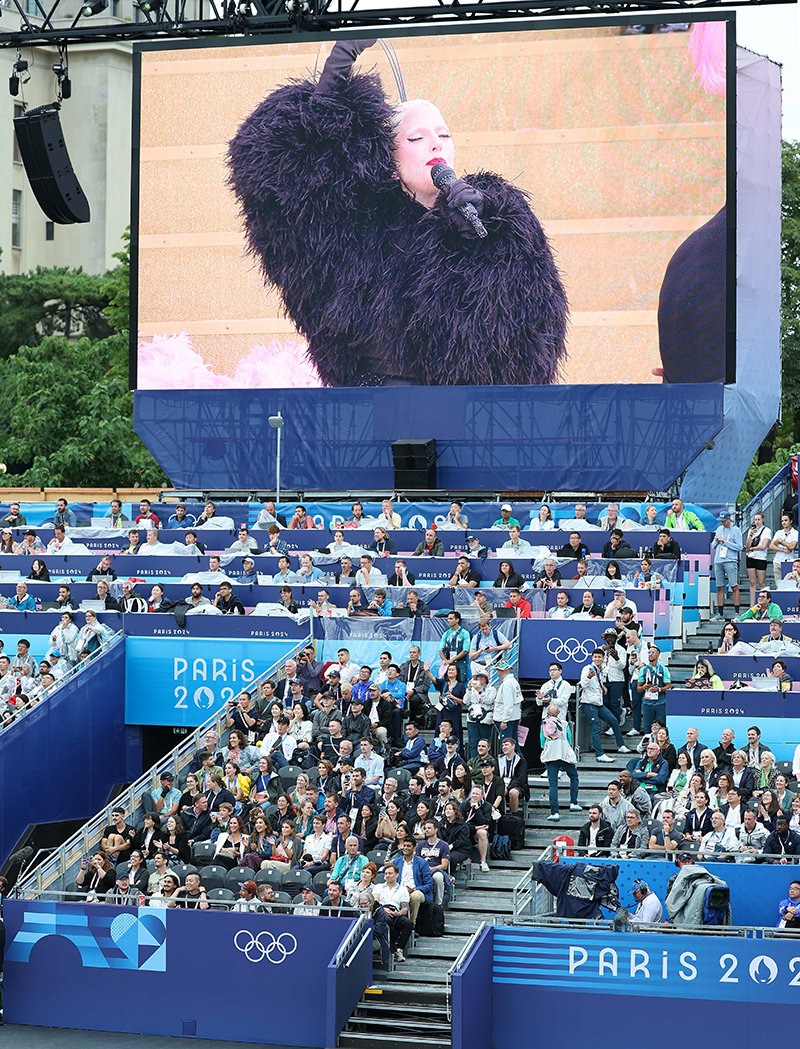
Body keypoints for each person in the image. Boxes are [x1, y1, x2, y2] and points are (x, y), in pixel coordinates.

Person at [579, 649, 628, 763]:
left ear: (603, 658)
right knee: (595, 727)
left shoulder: (601, 669)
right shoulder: (587, 669)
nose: (597, 659)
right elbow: (583, 684)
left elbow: (599, 682)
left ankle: (621, 746)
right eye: (595, 657)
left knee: (614, 721)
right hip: (589, 703)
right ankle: (599, 754)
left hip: (599, 703)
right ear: (592, 658)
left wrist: (603, 687)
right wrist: (588, 677)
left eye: (599, 657)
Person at [540, 703, 581, 823]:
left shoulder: (544, 724)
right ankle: (573, 802)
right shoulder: (564, 723)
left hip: (551, 755)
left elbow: (542, 740)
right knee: (574, 777)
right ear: (559, 713)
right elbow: (569, 739)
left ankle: (555, 812)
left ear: (547, 713)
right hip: (564, 753)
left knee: (553, 784)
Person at [375, 862, 414, 962]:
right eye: (386, 873)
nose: (387, 876)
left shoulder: (402, 889)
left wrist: (398, 913)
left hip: (395, 912)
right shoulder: (379, 887)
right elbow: (375, 902)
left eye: (390, 873)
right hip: (381, 911)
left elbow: (405, 908)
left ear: (397, 875)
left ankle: (399, 950)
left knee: (408, 923)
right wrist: (383, 909)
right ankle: (388, 948)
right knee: (386, 920)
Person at [711, 510, 742, 619]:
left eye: (724, 521)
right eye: (721, 521)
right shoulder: (719, 529)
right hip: (718, 560)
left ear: (729, 520)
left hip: (730, 560)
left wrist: (726, 542)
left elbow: (739, 547)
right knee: (720, 587)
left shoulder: (736, 530)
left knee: (734, 586)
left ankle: (737, 613)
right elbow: (713, 546)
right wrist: (716, 541)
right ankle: (720, 613)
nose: (722, 523)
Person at [770, 512, 799, 581]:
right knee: (778, 584)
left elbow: (792, 546)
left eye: (786, 520)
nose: (783, 523)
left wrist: (781, 541)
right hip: (777, 561)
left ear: (791, 521)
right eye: (782, 521)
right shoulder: (779, 532)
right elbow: (771, 546)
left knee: (788, 583)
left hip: (788, 561)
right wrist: (783, 549)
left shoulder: (795, 533)